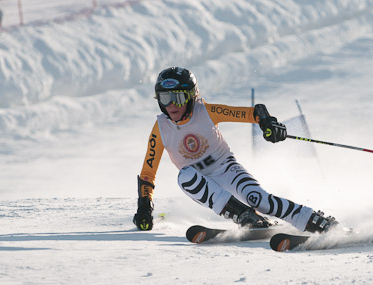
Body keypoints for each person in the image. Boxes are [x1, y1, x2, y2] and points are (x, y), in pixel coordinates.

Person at [133, 67, 337, 234]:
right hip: (202, 184)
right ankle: (243, 216)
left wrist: (267, 123)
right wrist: (145, 206)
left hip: (227, 169)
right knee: (185, 176)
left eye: (176, 98)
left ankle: (314, 220)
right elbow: (148, 173)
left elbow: (250, 113)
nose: (171, 105)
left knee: (260, 200)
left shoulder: (205, 111)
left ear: (190, 97)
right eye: (164, 98)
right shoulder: (160, 129)